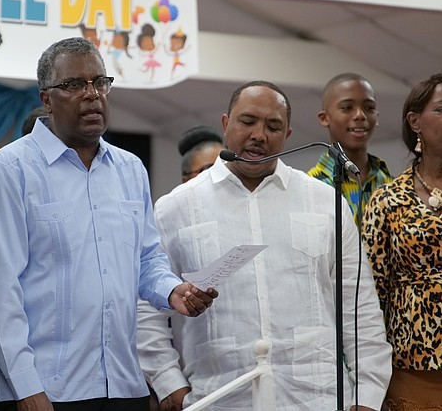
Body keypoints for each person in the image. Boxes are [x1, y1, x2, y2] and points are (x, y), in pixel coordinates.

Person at [0, 37, 217, 411]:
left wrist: (172, 291)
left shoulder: (130, 169)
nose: (91, 94)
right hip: (47, 390)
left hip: (122, 384)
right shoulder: (10, 170)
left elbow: (147, 260)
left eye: (99, 82)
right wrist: (25, 386)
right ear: (46, 99)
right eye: (74, 85)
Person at [137, 81, 391, 410]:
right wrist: (168, 382)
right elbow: (146, 308)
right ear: (226, 124)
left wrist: (367, 396)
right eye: (247, 121)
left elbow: (360, 311)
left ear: (287, 135)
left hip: (316, 400)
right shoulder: (176, 208)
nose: (260, 134)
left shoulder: (324, 202)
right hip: (218, 399)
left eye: (273, 126)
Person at [363, 73, 442, 410]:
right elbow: (369, 297)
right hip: (412, 363)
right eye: (441, 109)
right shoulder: (386, 200)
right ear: (415, 122)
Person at [307, 73, 392, 225]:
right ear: (324, 118)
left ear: (377, 117)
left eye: (369, 108)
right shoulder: (310, 186)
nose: (360, 115)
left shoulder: (391, 184)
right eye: (347, 108)